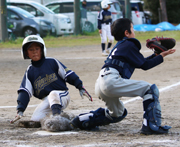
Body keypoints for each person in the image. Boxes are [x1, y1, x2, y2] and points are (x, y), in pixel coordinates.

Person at [70, 18, 175, 135]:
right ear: (126, 33)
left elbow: (141, 62)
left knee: (118, 113)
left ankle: (82, 120)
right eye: (132, 29)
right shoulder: (129, 44)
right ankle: (151, 126)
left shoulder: (121, 46)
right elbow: (145, 65)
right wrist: (161, 56)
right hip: (111, 81)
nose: (134, 32)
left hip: (100, 83)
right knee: (150, 90)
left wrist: (157, 55)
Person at [12, 35, 92, 123]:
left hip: (62, 94)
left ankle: (57, 118)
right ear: (26, 53)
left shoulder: (52, 62)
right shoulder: (30, 71)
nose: (34, 52)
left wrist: (80, 86)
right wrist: (20, 109)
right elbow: (25, 91)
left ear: (42, 50)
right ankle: (64, 116)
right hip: (47, 100)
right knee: (35, 119)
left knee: (53, 94)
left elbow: (68, 74)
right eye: (31, 50)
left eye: (37, 49)